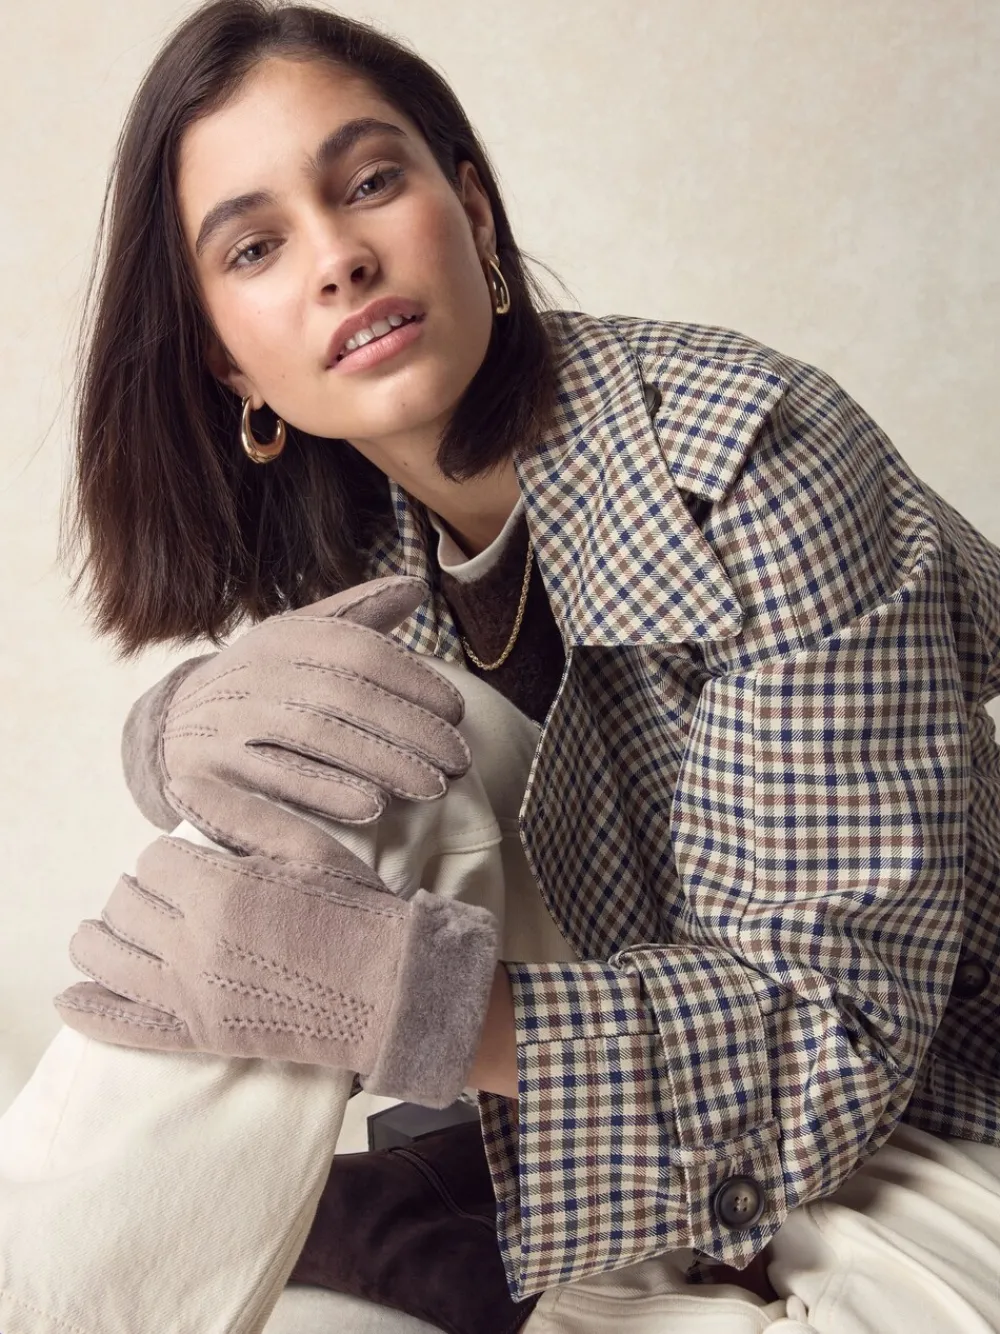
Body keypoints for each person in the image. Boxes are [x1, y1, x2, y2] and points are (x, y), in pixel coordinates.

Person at [12, 0, 1000, 1329]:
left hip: (934, 1110)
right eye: (256, 247)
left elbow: (839, 1034)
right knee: (307, 739)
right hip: (651, 1096)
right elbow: (280, 800)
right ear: (227, 361)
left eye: (370, 182)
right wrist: (177, 724)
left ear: (472, 210)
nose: (338, 259)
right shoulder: (360, 531)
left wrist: (403, 1003)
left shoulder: (751, 458)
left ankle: (469, 1231)